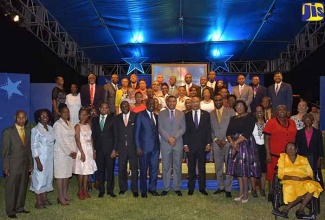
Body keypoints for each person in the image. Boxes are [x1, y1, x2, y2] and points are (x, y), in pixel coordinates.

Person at [272, 143, 323, 219]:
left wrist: (301, 179)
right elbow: (280, 174)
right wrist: (292, 177)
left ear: (296, 150)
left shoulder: (303, 159)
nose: (290, 150)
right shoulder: (282, 158)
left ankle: (295, 209)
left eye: (292, 148)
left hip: (303, 180)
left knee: (312, 185)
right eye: (288, 148)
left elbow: (310, 174)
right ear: (285, 150)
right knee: (302, 189)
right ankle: (298, 211)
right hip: (289, 180)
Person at [226, 100, 261, 203]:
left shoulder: (250, 117)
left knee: (244, 171)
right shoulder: (233, 118)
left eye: (241, 106)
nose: (239, 108)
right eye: (237, 106)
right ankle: (241, 193)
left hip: (246, 144)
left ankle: (246, 193)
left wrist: (236, 143)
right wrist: (232, 144)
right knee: (238, 170)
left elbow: (247, 132)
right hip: (234, 144)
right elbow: (228, 132)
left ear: (245, 107)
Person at [2, 110, 33, 218]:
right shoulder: (8, 132)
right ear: (15, 118)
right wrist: (5, 167)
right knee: (11, 188)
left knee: (22, 187)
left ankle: (20, 207)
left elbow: (28, 149)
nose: (21, 120)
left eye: (23, 117)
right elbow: (5, 152)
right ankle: (10, 210)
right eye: (19, 118)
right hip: (13, 165)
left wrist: (30, 163)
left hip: (25, 164)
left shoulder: (28, 131)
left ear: (26, 118)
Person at [264, 105, 297, 200]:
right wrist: (268, 153)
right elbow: (266, 139)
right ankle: (271, 193)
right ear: (276, 112)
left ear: (287, 111)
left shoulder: (292, 122)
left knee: (287, 175)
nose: (282, 111)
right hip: (274, 154)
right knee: (272, 174)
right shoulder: (271, 122)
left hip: (289, 155)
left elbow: (294, 137)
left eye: (284, 109)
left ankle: (285, 193)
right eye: (279, 109)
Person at [183, 97, 212, 195]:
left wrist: (208, 143)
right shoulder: (186, 115)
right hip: (190, 146)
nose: (195, 103)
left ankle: (202, 188)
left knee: (202, 168)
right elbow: (185, 131)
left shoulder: (206, 115)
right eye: (193, 102)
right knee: (191, 167)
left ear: (199, 103)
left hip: (202, 145)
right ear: (190, 103)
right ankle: (191, 188)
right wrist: (185, 144)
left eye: (196, 102)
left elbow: (209, 130)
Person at [158, 96, 186, 196]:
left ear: (176, 102)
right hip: (166, 143)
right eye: (170, 101)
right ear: (167, 102)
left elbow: (183, 128)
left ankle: (177, 187)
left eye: (174, 101)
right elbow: (160, 128)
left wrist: (174, 138)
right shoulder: (161, 114)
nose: (172, 103)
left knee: (178, 165)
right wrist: (168, 138)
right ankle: (166, 187)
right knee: (166, 166)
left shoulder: (181, 113)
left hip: (177, 142)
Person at [210, 94, 236, 198]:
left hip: (228, 142)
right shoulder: (211, 114)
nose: (218, 102)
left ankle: (228, 189)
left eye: (219, 100)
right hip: (216, 143)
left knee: (229, 166)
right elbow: (210, 129)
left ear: (223, 100)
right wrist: (216, 140)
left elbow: (234, 127)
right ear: (213, 101)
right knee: (218, 166)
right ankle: (221, 186)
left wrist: (226, 139)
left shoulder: (230, 111)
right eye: (216, 100)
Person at [134, 99, 160, 198]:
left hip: (155, 148)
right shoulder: (140, 115)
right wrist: (138, 147)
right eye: (149, 103)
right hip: (144, 149)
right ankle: (143, 190)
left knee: (154, 170)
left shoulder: (156, 116)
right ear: (146, 104)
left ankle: (152, 189)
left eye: (153, 103)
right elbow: (136, 133)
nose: (151, 105)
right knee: (144, 170)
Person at [113, 101, 139, 197]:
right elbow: (115, 134)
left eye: (126, 106)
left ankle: (135, 189)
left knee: (134, 169)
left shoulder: (135, 116)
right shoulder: (116, 118)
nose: (124, 107)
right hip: (121, 148)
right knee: (121, 169)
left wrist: (138, 146)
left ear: (129, 107)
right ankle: (123, 188)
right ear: (120, 107)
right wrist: (115, 149)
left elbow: (138, 132)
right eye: (122, 106)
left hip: (133, 147)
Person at [30, 109, 55, 209]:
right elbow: (34, 146)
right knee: (39, 179)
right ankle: (38, 202)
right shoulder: (35, 130)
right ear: (38, 118)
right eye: (42, 115)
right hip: (40, 159)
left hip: (49, 158)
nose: (45, 117)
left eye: (46, 115)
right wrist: (38, 162)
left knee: (47, 178)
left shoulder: (50, 128)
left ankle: (44, 199)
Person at [53, 104, 77, 206]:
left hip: (71, 154)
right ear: (60, 113)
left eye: (68, 112)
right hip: (61, 153)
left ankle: (65, 195)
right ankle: (60, 197)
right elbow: (60, 140)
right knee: (60, 176)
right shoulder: (57, 125)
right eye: (64, 112)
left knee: (67, 175)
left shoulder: (70, 124)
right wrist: (69, 152)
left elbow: (73, 139)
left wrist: (74, 151)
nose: (67, 114)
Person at [92, 102, 116, 198]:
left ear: (108, 109)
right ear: (99, 108)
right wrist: (94, 150)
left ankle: (110, 190)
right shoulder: (94, 120)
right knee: (100, 171)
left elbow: (116, 136)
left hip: (110, 151)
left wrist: (114, 150)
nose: (104, 109)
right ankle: (101, 190)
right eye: (102, 107)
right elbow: (93, 136)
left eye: (106, 108)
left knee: (110, 171)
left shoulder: (113, 120)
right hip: (99, 150)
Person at [74, 108, 97, 200]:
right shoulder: (77, 126)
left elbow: (91, 139)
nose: (83, 116)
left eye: (85, 115)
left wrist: (93, 151)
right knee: (81, 172)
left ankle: (85, 190)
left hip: (89, 150)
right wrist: (82, 153)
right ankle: (79, 190)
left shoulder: (88, 125)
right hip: (81, 150)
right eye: (81, 115)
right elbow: (77, 140)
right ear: (79, 116)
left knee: (87, 172)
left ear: (87, 116)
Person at [296, 113, 324, 187]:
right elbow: (297, 146)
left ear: (312, 121)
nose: (307, 121)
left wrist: (320, 158)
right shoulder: (299, 133)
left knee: (315, 173)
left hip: (314, 156)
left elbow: (320, 146)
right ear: (303, 121)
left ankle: (317, 188)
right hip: (303, 156)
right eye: (306, 120)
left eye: (309, 120)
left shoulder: (318, 133)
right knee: (304, 173)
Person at [251, 106, 267, 197]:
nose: (259, 112)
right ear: (255, 113)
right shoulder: (252, 123)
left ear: (264, 112)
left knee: (263, 170)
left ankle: (263, 189)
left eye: (261, 111)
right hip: (254, 147)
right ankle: (253, 189)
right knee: (254, 169)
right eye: (257, 111)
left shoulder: (268, 123)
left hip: (264, 148)